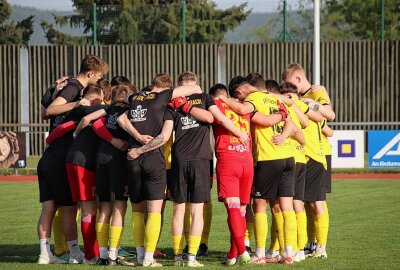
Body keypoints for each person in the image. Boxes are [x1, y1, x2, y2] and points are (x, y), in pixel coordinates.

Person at [117, 73, 204, 267]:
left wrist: (138, 137)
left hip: (131, 158)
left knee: (137, 210)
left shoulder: (136, 97)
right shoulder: (164, 97)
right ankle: (149, 258)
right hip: (152, 159)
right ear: (167, 89)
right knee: (155, 211)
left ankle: (140, 256)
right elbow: (196, 89)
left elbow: (122, 118)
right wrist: (142, 148)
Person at [165, 72, 249, 267]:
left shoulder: (173, 102)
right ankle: (192, 257)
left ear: (180, 85)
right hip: (201, 159)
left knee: (178, 210)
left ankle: (178, 257)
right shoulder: (204, 98)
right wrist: (239, 134)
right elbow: (214, 118)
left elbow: (167, 133)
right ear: (196, 84)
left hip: (178, 158)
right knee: (196, 210)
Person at [219, 74, 297, 264]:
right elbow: (291, 123)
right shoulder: (274, 98)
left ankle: (259, 254)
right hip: (287, 156)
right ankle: (288, 253)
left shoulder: (252, 99)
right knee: (285, 207)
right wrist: (284, 136)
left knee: (259, 207)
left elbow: (245, 109)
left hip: (268, 156)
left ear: (241, 91)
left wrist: (222, 98)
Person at [37, 85, 105, 264]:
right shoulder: (96, 108)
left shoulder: (72, 112)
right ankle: (78, 254)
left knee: (48, 209)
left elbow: (58, 131)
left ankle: (44, 254)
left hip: (46, 161)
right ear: (99, 97)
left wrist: (50, 141)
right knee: (71, 210)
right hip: (66, 162)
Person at [282, 63, 335, 258]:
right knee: (302, 203)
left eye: (289, 84)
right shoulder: (295, 99)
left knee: (316, 202)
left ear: (297, 79)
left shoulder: (317, 91)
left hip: (317, 153)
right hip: (301, 155)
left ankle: (321, 247)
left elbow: (330, 115)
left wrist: (304, 103)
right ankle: (310, 244)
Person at [209, 82, 253, 266]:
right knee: (240, 211)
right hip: (247, 161)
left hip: (228, 160)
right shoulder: (244, 108)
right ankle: (232, 255)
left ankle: (243, 252)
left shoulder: (215, 106)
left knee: (233, 209)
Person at [64, 85, 108, 264]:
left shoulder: (78, 109)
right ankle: (90, 256)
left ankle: (88, 253)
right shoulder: (102, 109)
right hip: (84, 162)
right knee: (89, 210)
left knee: (84, 208)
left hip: (71, 159)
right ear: (100, 97)